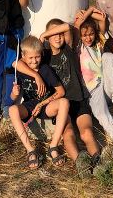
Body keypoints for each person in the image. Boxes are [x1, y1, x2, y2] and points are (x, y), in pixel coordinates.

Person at [16, 18, 100, 177]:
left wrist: (44, 34)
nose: (58, 36)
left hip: (78, 100)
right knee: (68, 134)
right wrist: (35, 74)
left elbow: (66, 27)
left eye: (59, 33)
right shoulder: (44, 56)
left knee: (86, 132)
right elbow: (17, 63)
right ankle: (81, 164)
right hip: (60, 105)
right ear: (47, 40)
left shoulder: (68, 48)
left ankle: (98, 161)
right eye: (53, 34)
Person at [75, 8, 113, 154]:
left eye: (91, 34)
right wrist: (88, 11)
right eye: (85, 35)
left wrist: (88, 13)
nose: (88, 38)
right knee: (102, 114)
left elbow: (102, 19)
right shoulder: (79, 46)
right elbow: (77, 25)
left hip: (108, 87)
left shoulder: (98, 43)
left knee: (108, 56)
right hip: (93, 91)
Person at [8, 36, 70, 170]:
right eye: (30, 58)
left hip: (46, 106)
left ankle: (53, 145)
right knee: (12, 109)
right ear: (23, 56)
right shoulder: (20, 71)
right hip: (29, 106)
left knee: (64, 102)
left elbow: (61, 92)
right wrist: (15, 93)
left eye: (37, 57)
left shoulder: (45, 70)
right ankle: (30, 150)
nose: (34, 61)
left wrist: (42, 104)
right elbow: (12, 98)